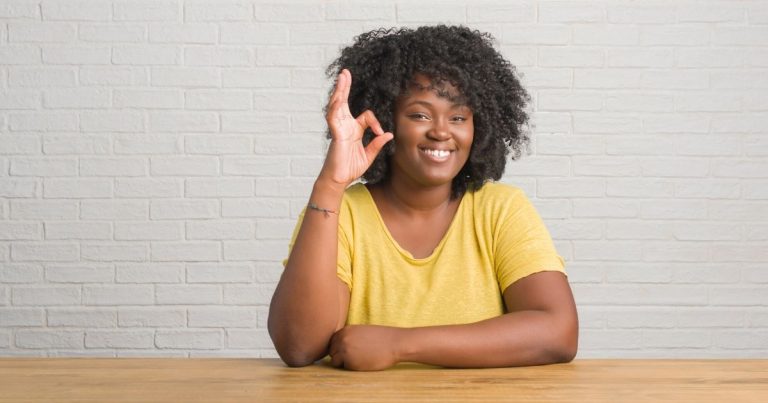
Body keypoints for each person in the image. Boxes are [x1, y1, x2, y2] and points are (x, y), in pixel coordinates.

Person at [268, 25, 578, 371]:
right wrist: (330, 184)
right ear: (385, 120)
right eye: (419, 115)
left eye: (458, 117)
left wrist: (399, 345)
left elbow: (558, 331)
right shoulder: (339, 212)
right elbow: (298, 346)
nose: (442, 131)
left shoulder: (501, 209)